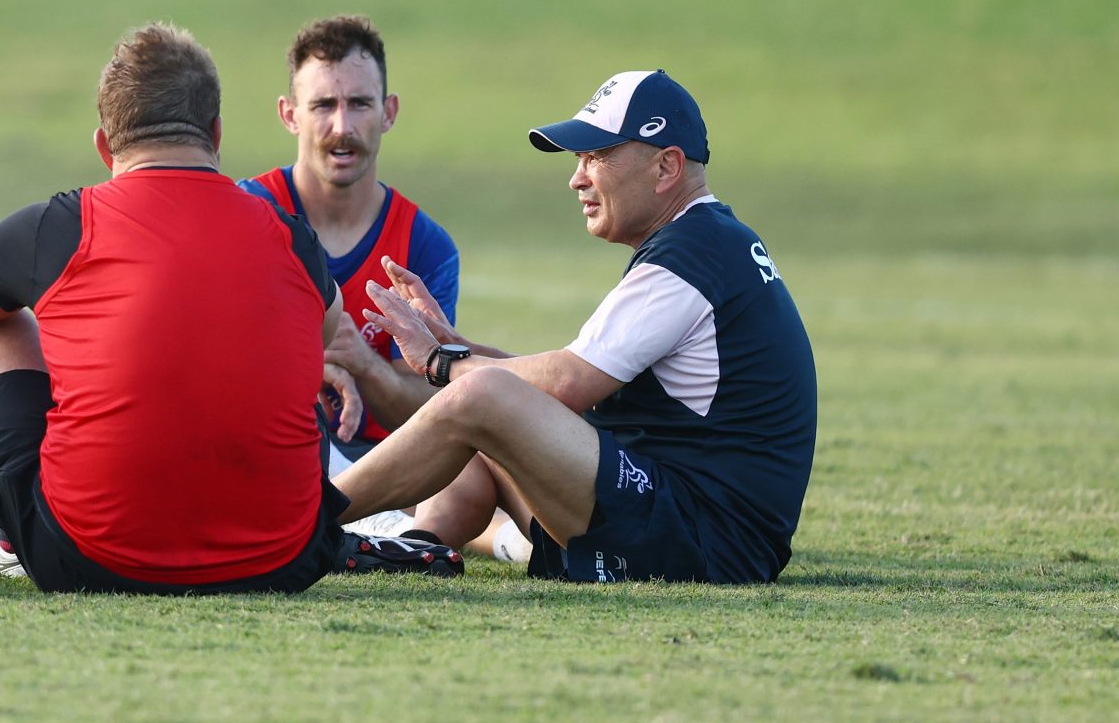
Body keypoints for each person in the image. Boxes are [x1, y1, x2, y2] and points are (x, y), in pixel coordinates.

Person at [0, 22, 459, 593]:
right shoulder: (296, 240)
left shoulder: (62, 224)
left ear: (104, 145)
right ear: (216, 133)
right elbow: (318, 338)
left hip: (87, 556)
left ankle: (9, 536)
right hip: (281, 559)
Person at [334, 70, 818, 585]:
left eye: (597, 157)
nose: (577, 178)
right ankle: (415, 546)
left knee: (481, 397)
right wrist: (459, 349)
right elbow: (550, 388)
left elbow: (568, 382)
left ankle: (306, 516)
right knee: (487, 404)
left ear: (666, 166)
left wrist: (441, 362)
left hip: (702, 540)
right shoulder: (706, 241)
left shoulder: (690, 255)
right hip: (693, 525)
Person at [241, 15, 462, 455]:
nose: (342, 127)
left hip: (380, 467)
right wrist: (307, 362)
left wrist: (363, 364)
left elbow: (434, 414)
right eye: (323, 105)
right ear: (290, 115)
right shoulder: (248, 214)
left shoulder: (424, 246)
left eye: (360, 103)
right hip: (267, 450)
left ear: (389, 112)